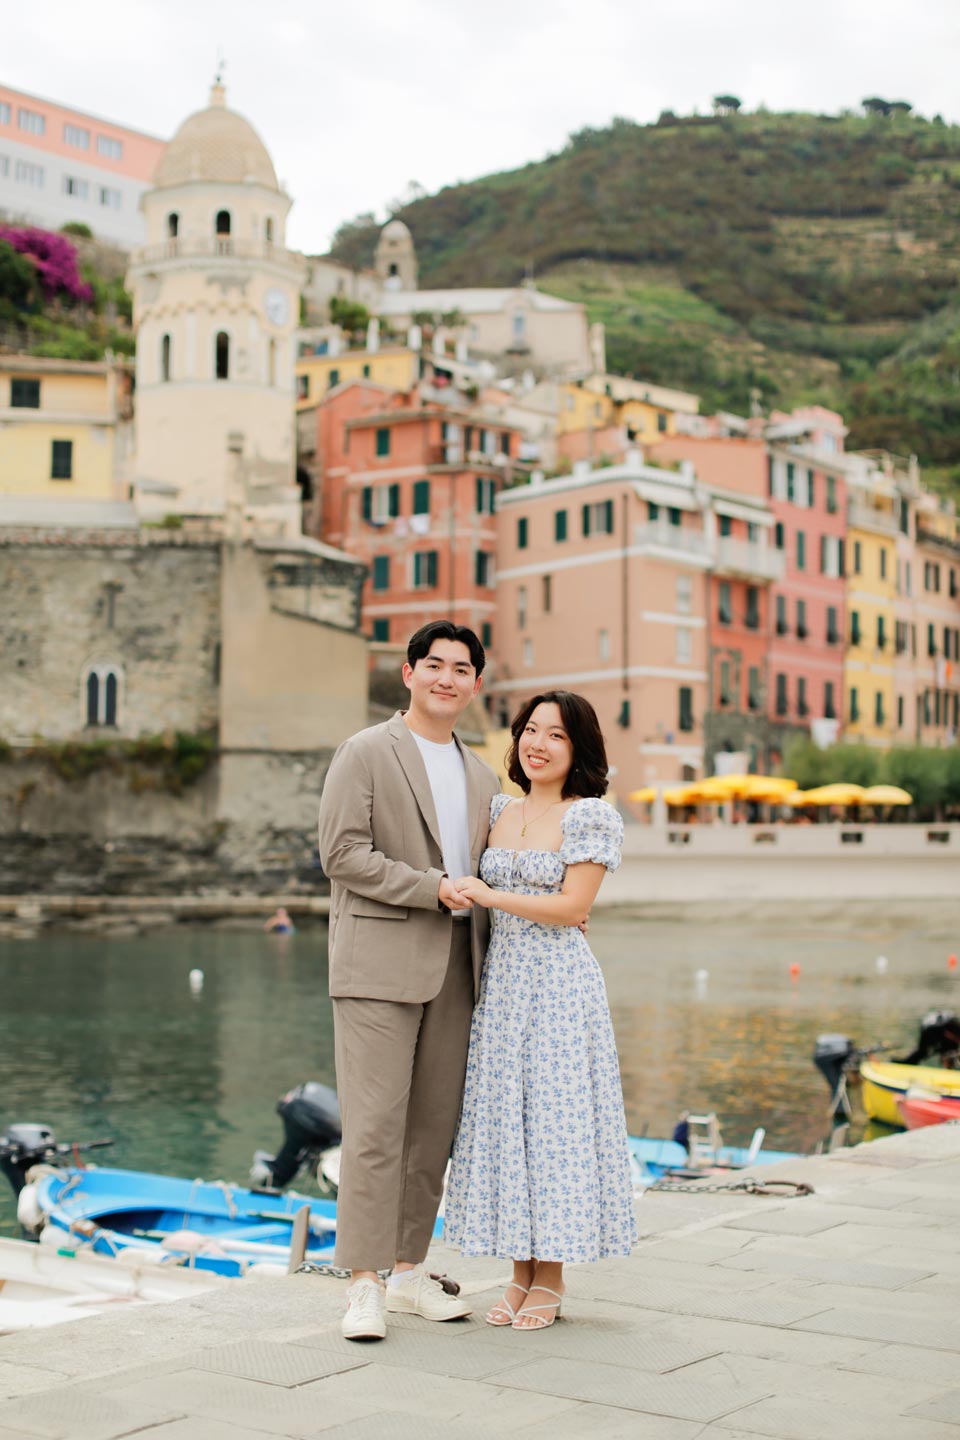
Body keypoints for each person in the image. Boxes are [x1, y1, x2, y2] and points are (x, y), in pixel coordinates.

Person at [317, 620, 499, 1341]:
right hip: (377, 963)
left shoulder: (483, 775)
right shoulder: (365, 751)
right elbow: (342, 854)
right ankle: (362, 1285)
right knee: (373, 1129)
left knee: (431, 1131)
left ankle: (406, 1272)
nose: (447, 678)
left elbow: (492, 873)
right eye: (435, 665)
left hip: (459, 966)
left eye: (461, 669)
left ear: (475, 684)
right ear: (409, 673)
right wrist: (431, 888)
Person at [443, 690, 637, 1330]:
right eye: (531, 730)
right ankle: (519, 1272)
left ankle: (550, 1277)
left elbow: (573, 907)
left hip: (558, 988)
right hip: (503, 987)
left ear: (578, 748)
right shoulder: (500, 809)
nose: (539, 743)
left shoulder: (590, 817)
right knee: (511, 1124)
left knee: (555, 1127)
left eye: (556, 734)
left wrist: (492, 895)